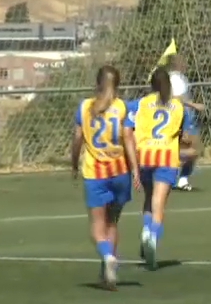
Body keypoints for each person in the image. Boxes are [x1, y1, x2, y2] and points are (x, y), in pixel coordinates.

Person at [70, 65, 141, 289]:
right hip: (120, 172)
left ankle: (107, 256)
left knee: (97, 226)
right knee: (113, 223)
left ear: (97, 83)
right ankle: (109, 275)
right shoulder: (122, 107)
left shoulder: (85, 107)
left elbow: (77, 140)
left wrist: (73, 164)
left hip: (95, 173)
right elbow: (129, 139)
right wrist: (136, 169)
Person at [132, 67, 196, 270]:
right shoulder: (178, 107)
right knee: (159, 203)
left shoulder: (141, 103)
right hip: (167, 156)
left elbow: (130, 123)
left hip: (145, 155)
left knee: (149, 197)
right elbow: (184, 137)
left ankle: (145, 231)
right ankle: (152, 237)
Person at [167, 54, 202, 192]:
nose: (186, 63)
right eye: (183, 61)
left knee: (193, 148)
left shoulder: (181, 77)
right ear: (177, 64)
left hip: (187, 114)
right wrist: (194, 105)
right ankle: (177, 176)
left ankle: (181, 178)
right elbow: (176, 98)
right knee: (192, 148)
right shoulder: (175, 78)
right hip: (183, 114)